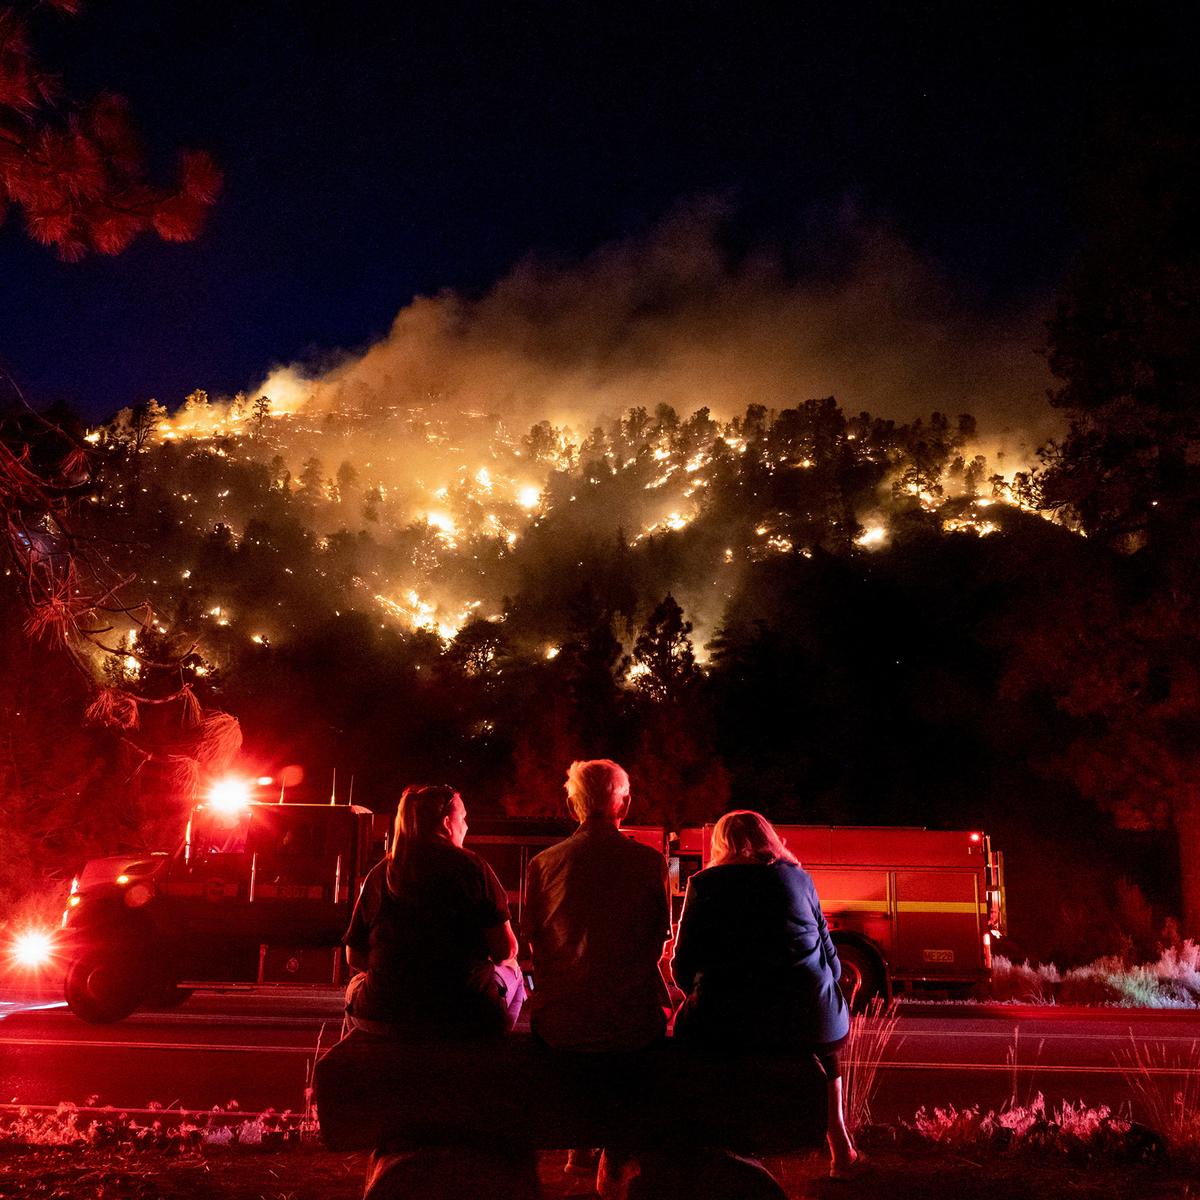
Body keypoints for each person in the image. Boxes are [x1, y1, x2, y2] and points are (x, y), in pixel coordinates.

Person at [671, 810, 863, 1180]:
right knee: (820, 1025)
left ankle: (710, 1141)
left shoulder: (704, 884)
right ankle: (841, 1147)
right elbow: (833, 967)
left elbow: (683, 967)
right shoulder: (800, 880)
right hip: (811, 1022)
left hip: (728, 1023)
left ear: (721, 845)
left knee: (686, 1039)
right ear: (769, 839)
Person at [522, 759, 672, 1184]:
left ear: (574, 807)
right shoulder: (648, 863)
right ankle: (617, 1153)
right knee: (636, 1026)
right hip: (630, 1026)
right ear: (623, 805)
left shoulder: (543, 865)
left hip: (561, 1026)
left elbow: (537, 947)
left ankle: (582, 1145)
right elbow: (656, 943)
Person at [342, 784, 524, 1037]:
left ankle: (357, 1064)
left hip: (383, 1013)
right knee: (514, 971)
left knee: (355, 987)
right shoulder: (473, 868)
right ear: (447, 822)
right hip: (465, 1016)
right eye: (463, 818)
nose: (467, 826)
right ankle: (493, 1051)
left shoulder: (380, 874)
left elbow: (355, 958)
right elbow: (505, 950)